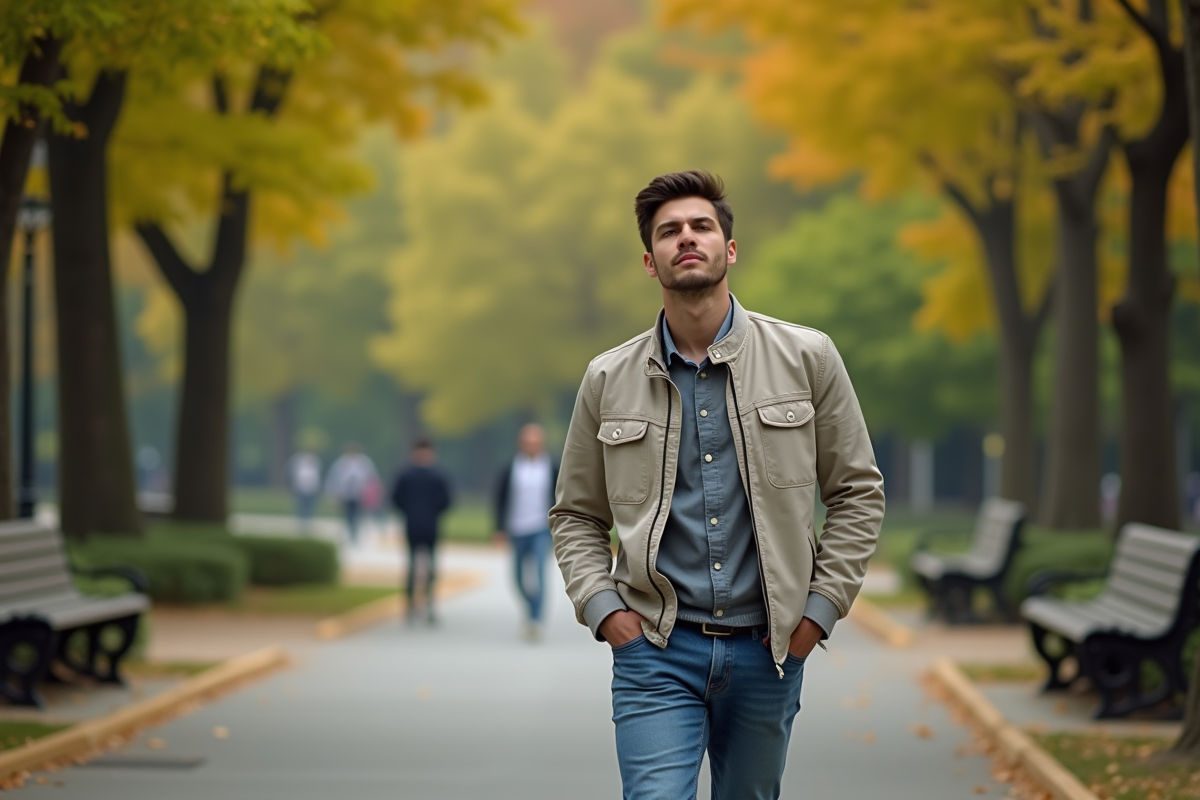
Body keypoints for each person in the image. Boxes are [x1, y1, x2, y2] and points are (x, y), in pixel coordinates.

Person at [551, 170, 885, 799]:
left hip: (770, 649)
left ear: (729, 249)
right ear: (650, 261)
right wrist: (605, 612)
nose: (687, 238)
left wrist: (817, 613)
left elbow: (857, 491)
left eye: (701, 226)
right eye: (669, 231)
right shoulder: (607, 378)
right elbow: (575, 514)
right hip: (654, 649)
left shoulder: (808, 357)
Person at [494, 423, 559, 640]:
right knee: (518, 578)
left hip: (541, 528)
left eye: (536, 443)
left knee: (540, 573)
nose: (532, 446)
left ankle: (535, 619)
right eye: (528, 443)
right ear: (521, 444)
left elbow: (561, 498)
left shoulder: (551, 468)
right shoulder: (511, 467)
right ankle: (531, 605)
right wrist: (499, 528)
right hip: (517, 528)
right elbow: (500, 499)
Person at [391, 437, 453, 625]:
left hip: (419, 524)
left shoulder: (408, 474)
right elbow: (447, 501)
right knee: (418, 567)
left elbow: (396, 499)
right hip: (425, 524)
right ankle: (418, 605)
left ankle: (423, 604)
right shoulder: (434, 475)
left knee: (424, 567)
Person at [325, 443, 379, 545]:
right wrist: (334, 492)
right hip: (345, 493)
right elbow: (334, 477)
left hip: (360, 493)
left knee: (357, 514)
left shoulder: (364, 462)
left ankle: (355, 533)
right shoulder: (341, 462)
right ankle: (350, 532)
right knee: (348, 514)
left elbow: (370, 477)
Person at [287, 449, 322, 530]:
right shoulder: (298, 462)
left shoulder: (315, 463)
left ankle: (309, 521)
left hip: (311, 488)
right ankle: (301, 522)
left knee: (310, 506)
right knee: (301, 505)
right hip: (301, 488)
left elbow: (316, 477)